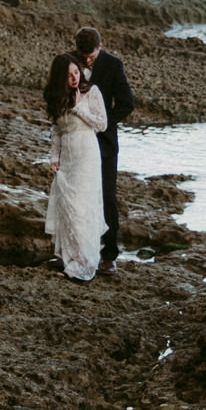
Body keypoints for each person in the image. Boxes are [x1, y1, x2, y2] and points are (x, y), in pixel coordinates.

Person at [73, 27, 135, 270]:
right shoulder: (68, 62)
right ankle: (76, 250)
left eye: (91, 56)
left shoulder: (113, 65)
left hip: (103, 141)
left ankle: (109, 255)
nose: (87, 60)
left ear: (100, 46)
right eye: (83, 55)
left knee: (107, 196)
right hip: (75, 138)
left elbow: (127, 103)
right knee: (76, 194)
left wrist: (101, 122)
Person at [43, 51, 108, 281]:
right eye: (69, 75)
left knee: (81, 207)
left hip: (87, 154)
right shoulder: (56, 96)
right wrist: (54, 157)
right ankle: (71, 259)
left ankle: (85, 264)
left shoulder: (91, 92)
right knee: (68, 207)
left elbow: (102, 124)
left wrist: (80, 107)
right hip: (68, 156)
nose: (74, 78)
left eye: (76, 72)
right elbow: (57, 130)